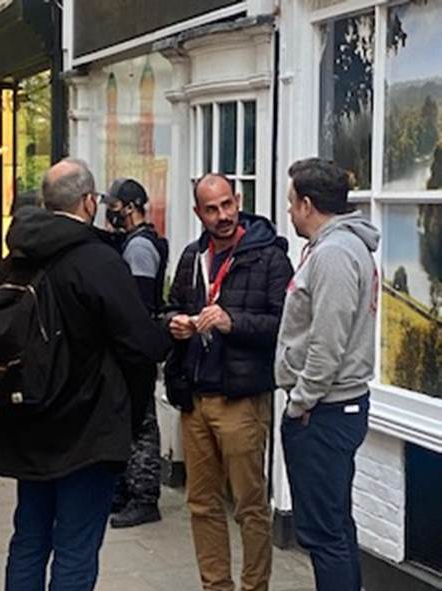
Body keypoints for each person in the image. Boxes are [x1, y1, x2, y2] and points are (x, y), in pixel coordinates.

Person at [0, 158, 170, 591]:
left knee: (29, 540)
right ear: (89, 202)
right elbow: (141, 345)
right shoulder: (96, 260)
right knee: (75, 548)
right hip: (88, 428)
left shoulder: (16, 259)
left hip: (29, 422)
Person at [168, 173, 293, 591]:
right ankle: (215, 585)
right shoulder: (192, 257)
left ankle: (254, 586)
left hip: (241, 397)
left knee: (250, 505)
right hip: (195, 396)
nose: (222, 215)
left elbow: (284, 326)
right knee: (202, 504)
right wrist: (176, 324)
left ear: (238, 200)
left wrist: (231, 321)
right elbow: (168, 308)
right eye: (211, 209)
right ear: (197, 212)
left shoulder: (269, 256)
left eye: (227, 205)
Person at [275, 158, 380, 591]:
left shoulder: (335, 254)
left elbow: (327, 344)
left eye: (290, 202)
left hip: (324, 412)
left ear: (307, 203)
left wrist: (301, 403)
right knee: (335, 526)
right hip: (332, 408)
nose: (289, 212)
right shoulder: (339, 248)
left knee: (323, 534)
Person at [103, 177, 168, 528]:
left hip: (136, 346)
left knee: (142, 421)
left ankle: (144, 498)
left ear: (129, 207)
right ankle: (128, 492)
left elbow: (138, 303)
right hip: (134, 343)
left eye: (114, 206)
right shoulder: (132, 242)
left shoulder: (139, 248)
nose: (109, 213)